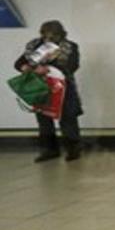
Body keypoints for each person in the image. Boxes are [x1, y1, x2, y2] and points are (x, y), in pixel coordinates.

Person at [13, 21, 83, 162]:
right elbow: (18, 63)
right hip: (39, 87)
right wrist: (25, 68)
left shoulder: (70, 47)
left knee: (67, 119)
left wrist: (48, 69)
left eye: (53, 35)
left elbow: (73, 65)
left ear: (60, 34)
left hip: (62, 87)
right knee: (44, 120)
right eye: (45, 35)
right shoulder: (34, 46)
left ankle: (73, 149)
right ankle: (49, 150)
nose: (48, 38)